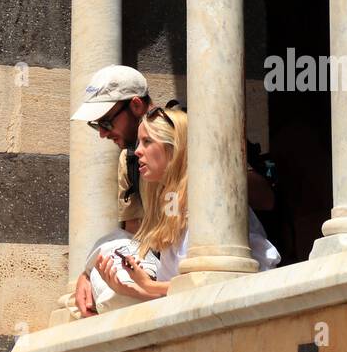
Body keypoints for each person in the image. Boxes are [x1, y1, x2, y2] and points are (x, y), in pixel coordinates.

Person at [70, 65, 276, 317]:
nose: (102, 133)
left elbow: (216, 279)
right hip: (173, 284)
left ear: (135, 105)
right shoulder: (131, 162)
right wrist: (89, 272)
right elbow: (135, 236)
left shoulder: (198, 146)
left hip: (230, 287)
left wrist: (212, 170)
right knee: (109, 254)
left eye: (106, 121)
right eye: (96, 125)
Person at [95, 105, 280, 301]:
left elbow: (218, 281)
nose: (138, 151)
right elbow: (179, 293)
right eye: (139, 142)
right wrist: (130, 289)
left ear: (175, 148)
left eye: (147, 141)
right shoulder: (170, 204)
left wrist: (149, 285)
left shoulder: (209, 197)